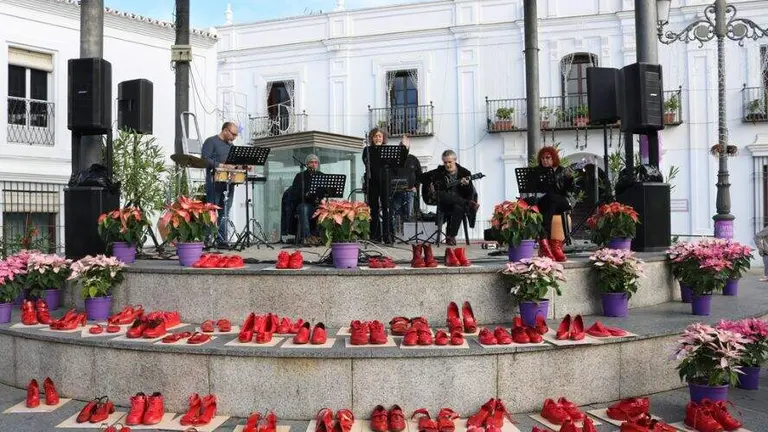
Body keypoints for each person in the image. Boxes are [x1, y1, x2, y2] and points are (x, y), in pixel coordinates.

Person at [530, 146, 574, 262]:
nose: (545, 160)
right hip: (545, 202)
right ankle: (554, 247)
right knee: (549, 203)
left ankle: (545, 244)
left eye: (548, 158)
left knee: (552, 199)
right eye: (543, 158)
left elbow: (569, 190)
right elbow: (532, 188)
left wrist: (569, 179)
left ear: (553, 158)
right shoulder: (537, 171)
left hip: (561, 201)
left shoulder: (562, 170)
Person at [426, 150, 479, 246]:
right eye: (445, 162)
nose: (447, 165)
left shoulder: (465, 172)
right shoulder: (439, 173)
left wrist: (466, 185)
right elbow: (425, 179)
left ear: (455, 160)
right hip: (444, 204)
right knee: (442, 194)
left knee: (458, 207)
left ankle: (452, 236)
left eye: (449, 162)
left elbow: (470, 193)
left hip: (458, 205)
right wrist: (430, 187)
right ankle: (467, 203)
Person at [201, 121, 239, 247]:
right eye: (233, 134)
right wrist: (222, 165)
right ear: (225, 130)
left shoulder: (231, 146)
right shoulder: (211, 141)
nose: (234, 137)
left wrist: (241, 165)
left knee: (225, 212)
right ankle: (207, 239)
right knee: (211, 211)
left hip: (228, 182)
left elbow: (235, 162)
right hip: (214, 182)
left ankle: (222, 240)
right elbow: (205, 159)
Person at [362, 127, 395, 243]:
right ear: (372, 138)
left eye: (380, 136)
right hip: (372, 182)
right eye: (375, 136)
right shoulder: (367, 150)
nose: (377, 138)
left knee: (387, 208)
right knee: (373, 209)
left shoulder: (388, 150)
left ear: (383, 138)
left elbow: (394, 165)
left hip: (385, 182)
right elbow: (366, 162)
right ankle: (375, 237)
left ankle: (388, 236)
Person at [390, 135, 421, 235]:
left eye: (405, 146)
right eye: (401, 146)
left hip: (410, 192)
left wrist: (416, 187)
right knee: (397, 214)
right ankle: (398, 235)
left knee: (409, 214)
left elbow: (420, 175)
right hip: (396, 192)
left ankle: (409, 235)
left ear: (409, 147)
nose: (403, 148)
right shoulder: (393, 160)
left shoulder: (414, 159)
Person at [291, 154, 324, 243]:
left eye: (316, 162)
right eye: (311, 162)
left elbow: (326, 191)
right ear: (307, 164)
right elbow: (294, 194)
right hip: (305, 204)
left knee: (327, 210)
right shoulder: (300, 176)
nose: (314, 164)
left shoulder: (321, 175)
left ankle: (318, 236)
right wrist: (306, 194)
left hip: (317, 204)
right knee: (304, 208)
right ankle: (307, 236)